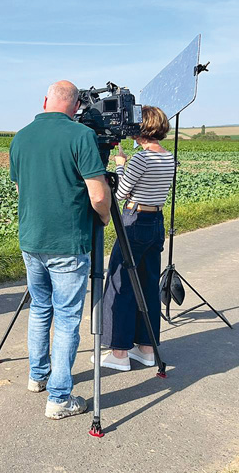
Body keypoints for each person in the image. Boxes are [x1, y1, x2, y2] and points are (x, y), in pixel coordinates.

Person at [9, 81, 111, 420]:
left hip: (31, 239)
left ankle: (37, 376)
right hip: (67, 241)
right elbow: (97, 195)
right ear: (77, 105)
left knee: (40, 308)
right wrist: (106, 216)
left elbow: (23, 187)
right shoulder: (81, 136)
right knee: (67, 318)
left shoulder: (20, 136)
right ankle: (60, 397)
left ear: (45, 101)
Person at [96, 106, 174, 370]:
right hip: (156, 221)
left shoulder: (141, 159)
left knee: (120, 282)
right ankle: (147, 348)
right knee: (148, 283)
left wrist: (120, 166)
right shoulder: (169, 158)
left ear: (142, 128)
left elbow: (120, 193)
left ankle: (119, 353)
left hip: (134, 220)